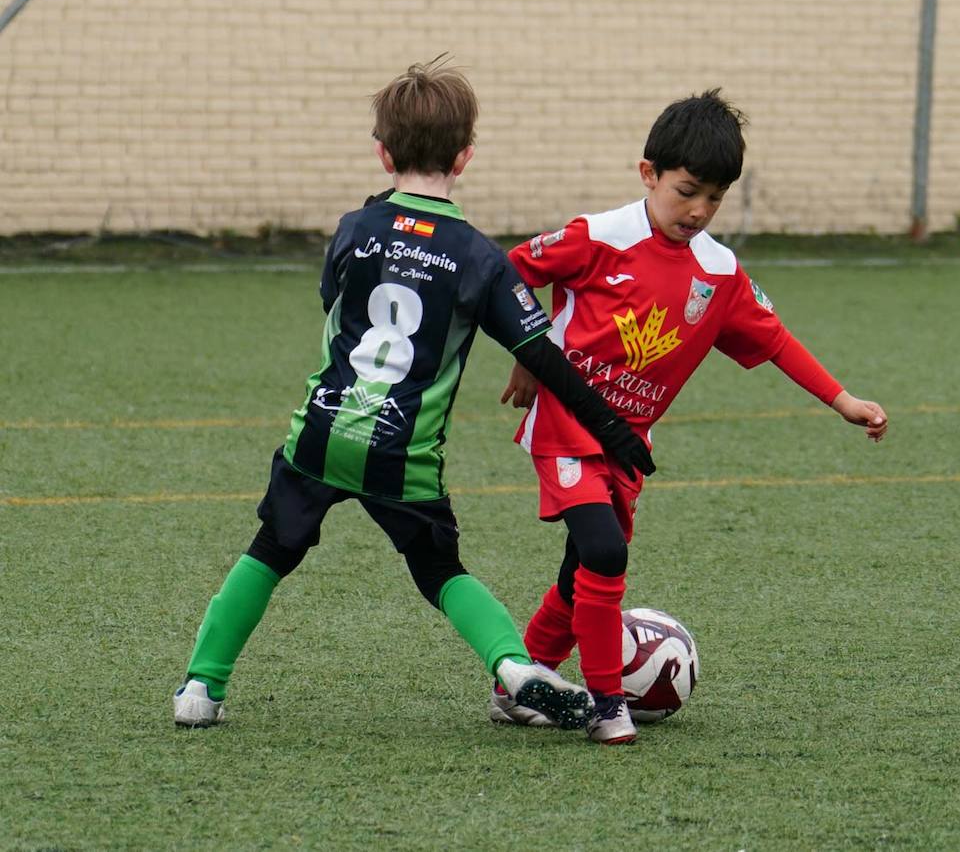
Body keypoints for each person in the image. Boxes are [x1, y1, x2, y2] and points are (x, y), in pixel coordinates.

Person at [172, 58, 654, 732]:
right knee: (440, 571)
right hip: (403, 448)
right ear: (465, 157)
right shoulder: (479, 257)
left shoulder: (353, 228)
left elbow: (331, 300)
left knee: (270, 550)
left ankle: (200, 687)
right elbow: (543, 354)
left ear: (382, 151)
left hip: (322, 429)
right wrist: (612, 430)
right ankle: (515, 668)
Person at [491, 88, 889, 744]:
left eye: (715, 198)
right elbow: (506, 273)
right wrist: (531, 353)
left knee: (579, 571)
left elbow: (776, 340)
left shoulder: (718, 272)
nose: (698, 210)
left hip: (626, 444)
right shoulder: (599, 237)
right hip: (563, 424)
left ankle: (520, 684)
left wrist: (843, 399)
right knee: (603, 549)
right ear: (648, 174)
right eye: (687, 190)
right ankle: (606, 704)